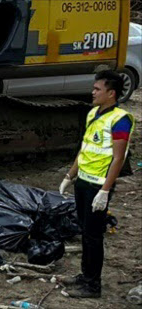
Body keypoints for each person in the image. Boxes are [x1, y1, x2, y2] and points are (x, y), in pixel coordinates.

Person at [58, 70, 135, 298]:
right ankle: (85, 275)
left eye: (97, 89)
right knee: (85, 231)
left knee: (93, 236)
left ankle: (93, 286)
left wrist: (105, 191)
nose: (92, 92)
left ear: (111, 93)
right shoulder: (93, 114)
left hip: (98, 186)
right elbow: (85, 149)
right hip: (83, 181)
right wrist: (69, 176)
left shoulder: (120, 119)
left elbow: (118, 158)